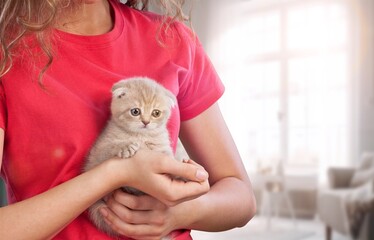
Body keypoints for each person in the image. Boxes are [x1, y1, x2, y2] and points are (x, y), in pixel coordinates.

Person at [0, 0, 256, 239]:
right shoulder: (7, 53)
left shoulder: (172, 39)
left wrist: (179, 213)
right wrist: (116, 172)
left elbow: (241, 197)